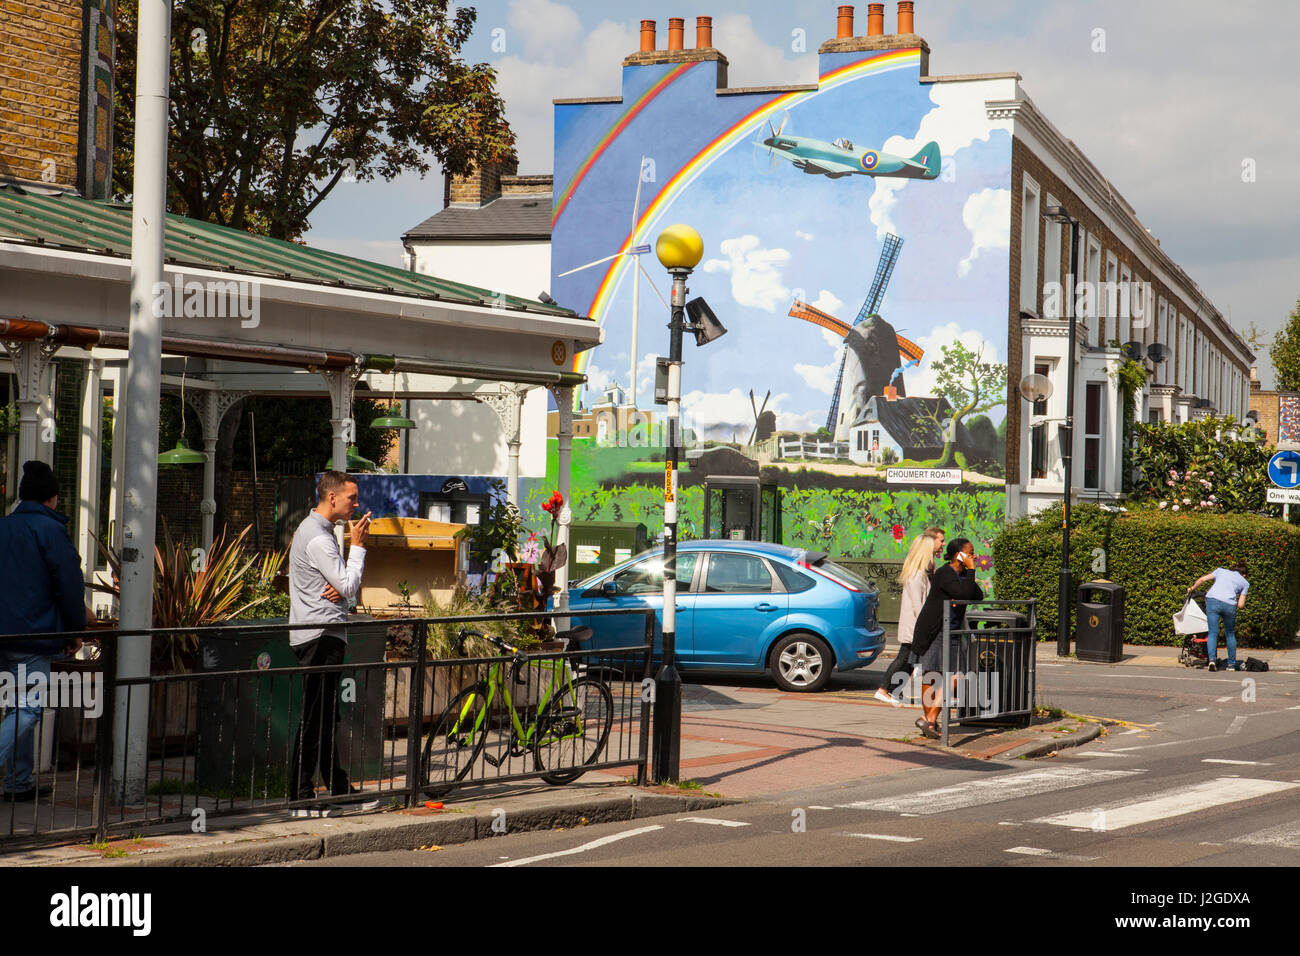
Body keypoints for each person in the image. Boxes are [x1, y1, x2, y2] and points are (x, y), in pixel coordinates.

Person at [0, 461, 90, 801]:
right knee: (29, 707)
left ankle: (18, 783)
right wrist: (74, 631)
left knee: (15, 707)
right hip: (32, 635)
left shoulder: (4, 527)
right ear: (52, 499)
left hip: (4, 636)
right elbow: (68, 587)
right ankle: (16, 781)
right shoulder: (50, 531)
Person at [288, 470, 372, 814]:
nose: (356, 504)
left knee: (324, 716)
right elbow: (349, 586)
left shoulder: (320, 533)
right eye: (352, 497)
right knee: (315, 716)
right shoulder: (319, 539)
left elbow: (345, 590)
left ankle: (336, 787)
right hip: (319, 635)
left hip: (323, 633)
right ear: (332, 497)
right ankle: (299, 796)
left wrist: (343, 588)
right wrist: (359, 547)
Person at [909, 538, 983, 739]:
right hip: (934, 630)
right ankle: (930, 722)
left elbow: (976, 595)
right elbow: (962, 592)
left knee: (956, 675)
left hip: (952, 632)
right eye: (970, 553)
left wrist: (969, 571)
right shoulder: (944, 573)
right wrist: (971, 571)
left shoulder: (964, 575)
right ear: (957, 554)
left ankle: (930, 719)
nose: (973, 557)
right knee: (930, 675)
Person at [874, 527, 944, 706]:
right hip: (915, 626)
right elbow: (918, 605)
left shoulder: (926, 571)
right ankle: (883, 689)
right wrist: (927, 626)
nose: (942, 544)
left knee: (910, 661)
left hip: (918, 625)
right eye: (940, 541)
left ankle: (894, 691)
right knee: (904, 658)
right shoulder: (916, 575)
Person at [1187, 562, 1249, 672]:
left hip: (1212, 601)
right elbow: (1240, 605)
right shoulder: (1245, 583)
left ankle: (1212, 660)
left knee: (1212, 632)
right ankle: (1231, 664)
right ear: (1244, 574)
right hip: (1229, 606)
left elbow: (1202, 580)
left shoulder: (1220, 570)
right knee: (1230, 634)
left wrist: (1192, 588)